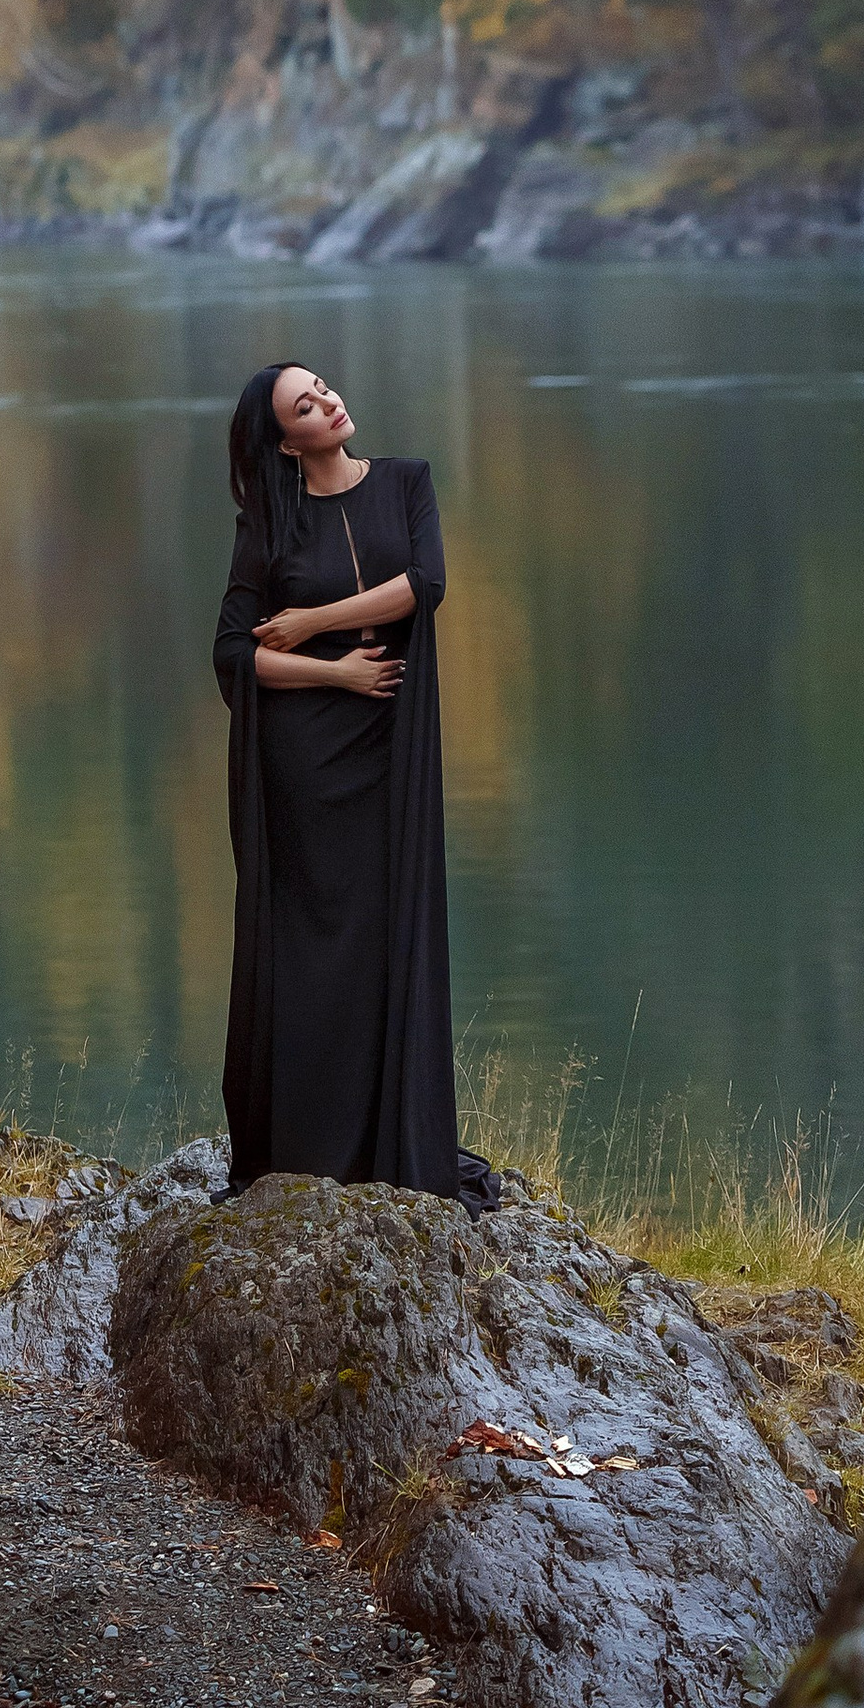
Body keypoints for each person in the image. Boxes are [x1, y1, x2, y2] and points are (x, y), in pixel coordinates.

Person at [213, 360, 496, 1207]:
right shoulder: (269, 520)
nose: (329, 402)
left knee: (385, 940)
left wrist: (312, 621)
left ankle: (390, 1141)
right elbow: (233, 654)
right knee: (314, 956)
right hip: (307, 766)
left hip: (389, 760)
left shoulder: (407, 483)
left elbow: (425, 584)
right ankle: (308, 1146)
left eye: (325, 387)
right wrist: (331, 672)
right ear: (286, 441)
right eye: (306, 405)